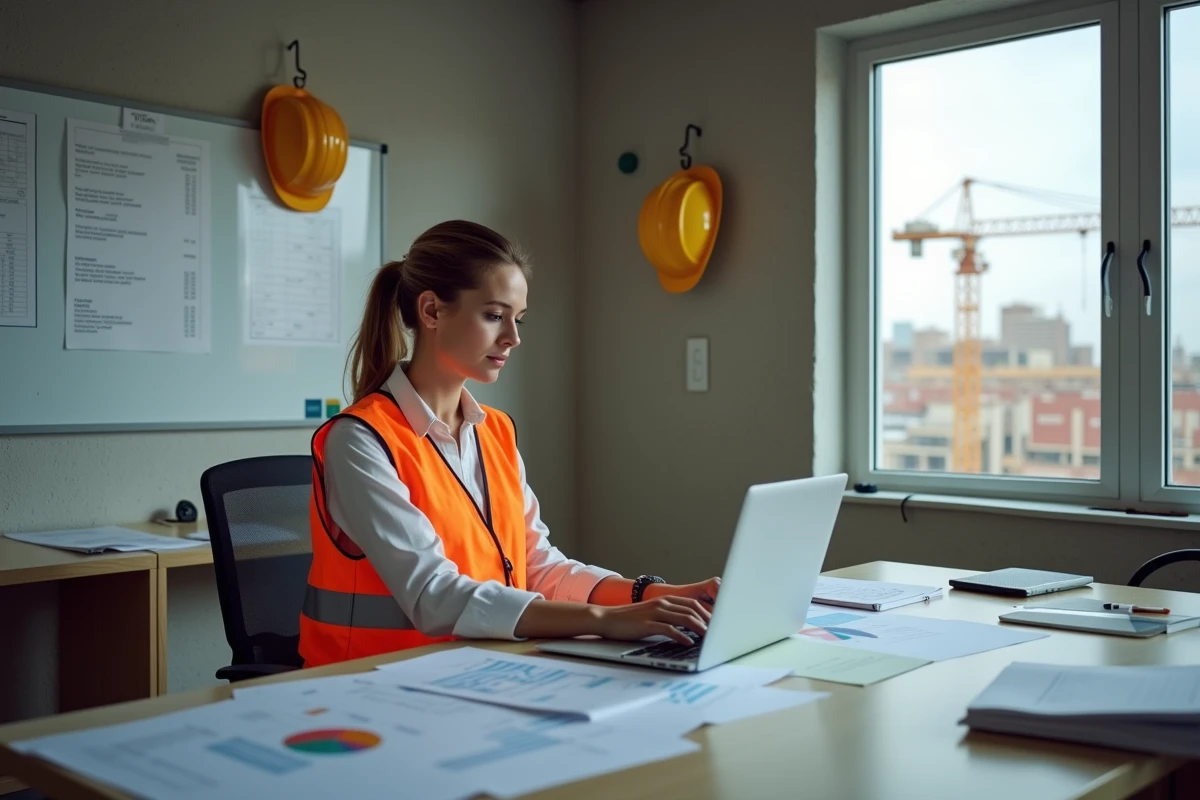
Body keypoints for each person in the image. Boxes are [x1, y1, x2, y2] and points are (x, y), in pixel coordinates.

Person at [301, 220, 721, 667]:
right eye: (494, 316)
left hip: (481, 672)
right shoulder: (359, 440)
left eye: (517, 319)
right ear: (431, 312)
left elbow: (538, 566)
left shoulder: (494, 430)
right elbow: (434, 596)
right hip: (369, 689)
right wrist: (604, 620)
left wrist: (655, 594)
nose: (513, 338)